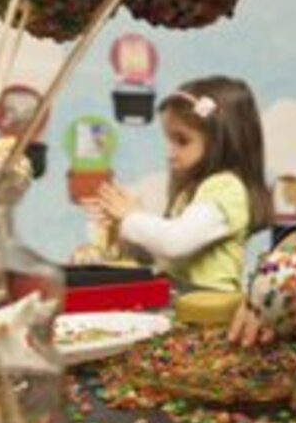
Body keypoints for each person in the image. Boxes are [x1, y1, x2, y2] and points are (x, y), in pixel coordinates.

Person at [93, 75, 272, 293]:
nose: (170, 153)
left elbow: (175, 243)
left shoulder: (227, 189)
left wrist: (131, 216)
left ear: (220, 141)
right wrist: (121, 226)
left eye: (182, 141)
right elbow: (163, 254)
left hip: (210, 304)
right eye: (169, 140)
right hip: (185, 298)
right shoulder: (191, 191)